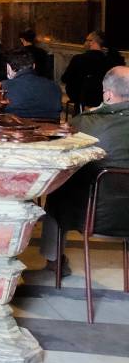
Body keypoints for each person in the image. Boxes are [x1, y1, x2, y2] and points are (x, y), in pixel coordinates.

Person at [40, 67, 129, 276]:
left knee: (57, 193)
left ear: (107, 94)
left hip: (92, 213)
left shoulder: (84, 123)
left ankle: (54, 260)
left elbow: (62, 157)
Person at [62, 30, 126, 110]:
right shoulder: (110, 61)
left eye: (86, 40)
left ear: (92, 42)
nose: (85, 42)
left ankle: (78, 116)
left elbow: (65, 78)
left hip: (81, 97)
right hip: (102, 97)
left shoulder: (79, 59)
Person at [2, 49, 62, 121]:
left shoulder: (4, 87)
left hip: (15, 130)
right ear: (34, 66)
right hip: (48, 130)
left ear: (8, 67)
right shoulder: (54, 87)